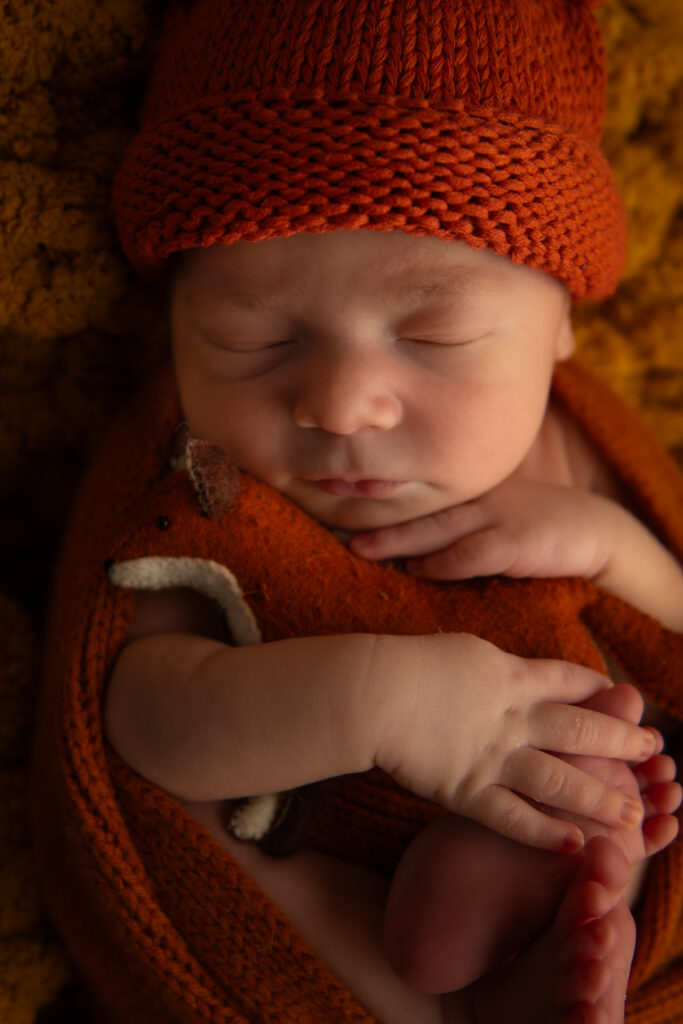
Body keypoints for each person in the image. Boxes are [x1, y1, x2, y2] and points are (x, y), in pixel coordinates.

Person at [31, 2, 683, 1023]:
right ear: (175, 325)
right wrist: (380, 703)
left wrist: (611, 548)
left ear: (560, 320)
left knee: (615, 791)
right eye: (251, 340)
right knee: (303, 897)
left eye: (435, 336)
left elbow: (673, 637)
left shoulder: (576, 449)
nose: (337, 406)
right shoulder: (201, 493)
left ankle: (546, 934)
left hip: (544, 836)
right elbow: (140, 717)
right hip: (322, 878)